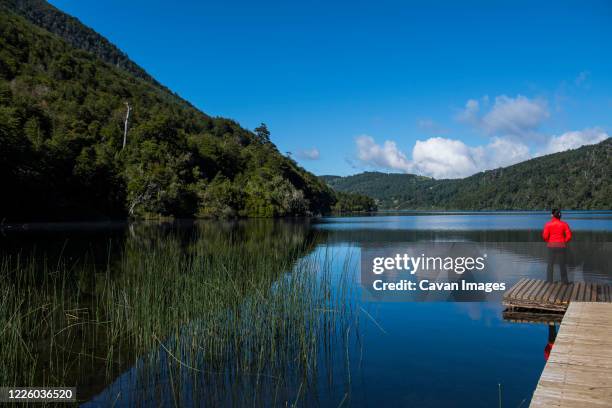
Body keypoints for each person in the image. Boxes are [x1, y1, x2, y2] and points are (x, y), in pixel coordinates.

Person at [542, 208, 571, 283]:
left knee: (550, 264)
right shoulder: (564, 224)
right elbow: (569, 236)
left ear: (552, 215)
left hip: (551, 246)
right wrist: (564, 242)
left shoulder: (548, 224)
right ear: (560, 216)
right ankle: (564, 282)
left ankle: (549, 281)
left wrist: (549, 242)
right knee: (562, 265)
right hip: (561, 246)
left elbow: (545, 236)